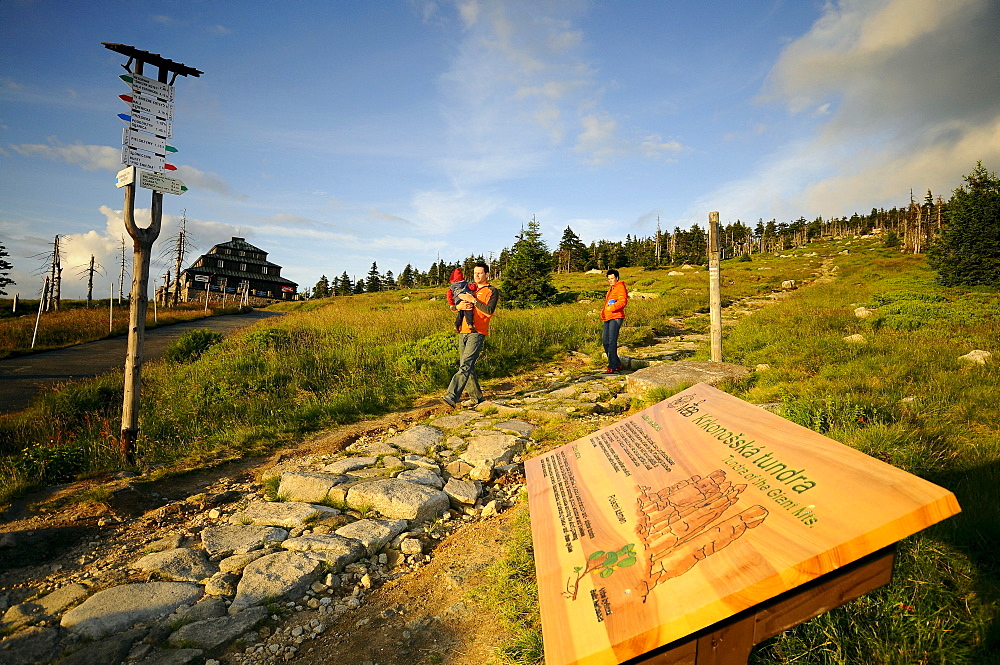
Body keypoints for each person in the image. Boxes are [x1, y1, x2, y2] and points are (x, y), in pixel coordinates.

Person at [443, 262, 499, 407]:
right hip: (463, 331)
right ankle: (477, 398)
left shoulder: (492, 291)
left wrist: (473, 300)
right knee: (467, 366)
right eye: (475, 273)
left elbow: (489, 310)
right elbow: (454, 306)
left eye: (480, 273)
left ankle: (451, 396)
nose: (477, 276)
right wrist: (457, 306)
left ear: (487, 274)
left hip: (477, 332)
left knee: (466, 365)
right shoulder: (468, 288)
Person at [601, 268, 628, 373]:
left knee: (611, 341)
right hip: (608, 317)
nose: (610, 281)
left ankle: (612, 366)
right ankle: (616, 363)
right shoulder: (611, 289)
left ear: (617, 278)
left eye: (612, 278)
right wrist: (603, 312)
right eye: (609, 279)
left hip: (616, 317)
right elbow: (608, 303)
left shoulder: (620, 287)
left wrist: (610, 308)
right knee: (605, 341)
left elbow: (623, 302)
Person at [446, 267, 477, 332]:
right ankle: (470, 324)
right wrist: (475, 285)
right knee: (468, 310)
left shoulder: (452, 287)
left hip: (457, 301)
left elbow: (449, 295)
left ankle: (456, 325)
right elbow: (472, 287)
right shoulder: (465, 283)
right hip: (466, 298)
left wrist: (451, 303)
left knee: (461, 313)